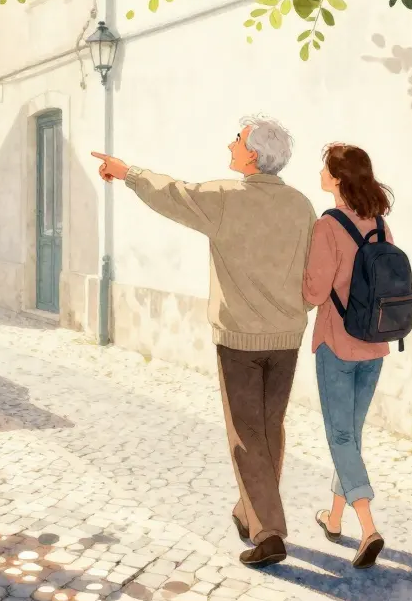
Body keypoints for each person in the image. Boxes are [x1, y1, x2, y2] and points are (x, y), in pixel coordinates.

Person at [91, 115, 316, 568]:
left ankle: (269, 533)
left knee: (246, 435)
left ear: (252, 154)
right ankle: (247, 510)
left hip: (240, 338)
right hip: (287, 335)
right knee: (270, 429)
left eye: (237, 140)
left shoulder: (225, 198)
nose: (230, 144)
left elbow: (172, 194)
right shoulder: (301, 205)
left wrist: (126, 171)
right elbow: (312, 269)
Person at [302, 142, 395, 569]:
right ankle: (334, 519)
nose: (320, 173)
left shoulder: (327, 226)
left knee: (340, 437)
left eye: (325, 169)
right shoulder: (379, 225)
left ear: (337, 178)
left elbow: (314, 292)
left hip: (337, 343)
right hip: (375, 344)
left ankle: (368, 526)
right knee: (351, 437)